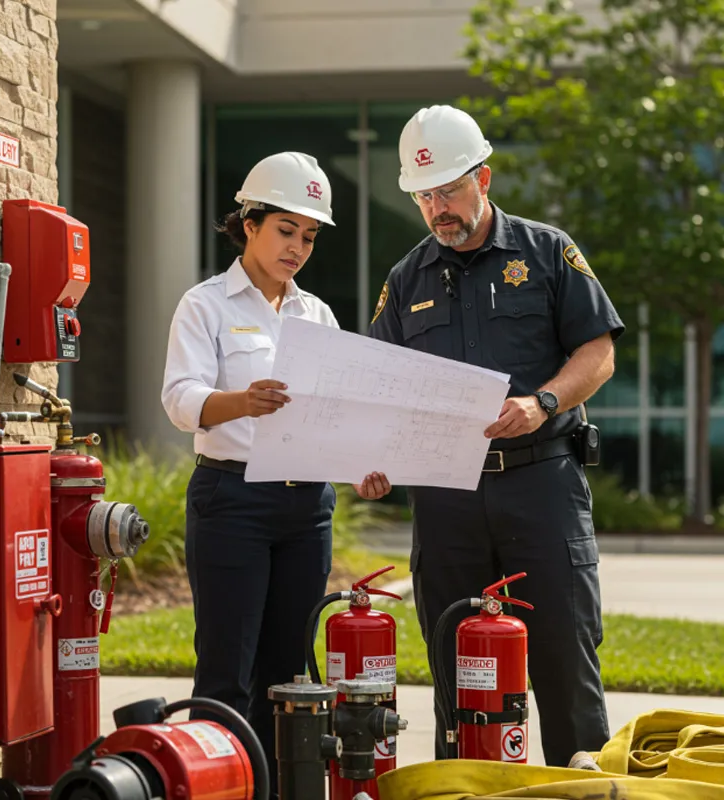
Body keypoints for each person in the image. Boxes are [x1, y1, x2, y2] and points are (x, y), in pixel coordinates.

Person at [368, 106, 625, 768]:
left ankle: (584, 782)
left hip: (541, 482)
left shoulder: (548, 252)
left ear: (484, 177)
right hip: (447, 494)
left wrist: (542, 403)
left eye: (449, 189)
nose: (437, 208)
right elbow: (380, 388)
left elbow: (598, 353)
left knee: (566, 661)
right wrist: (375, 459)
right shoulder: (406, 279)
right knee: (460, 672)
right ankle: (470, 784)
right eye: (424, 195)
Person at [161, 151, 391, 798]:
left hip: (306, 507)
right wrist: (241, 401)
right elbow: (179, 400)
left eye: (310, 236)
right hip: (231, 500)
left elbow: (337, 416)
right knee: (226, 676)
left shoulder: (317, 316)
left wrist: (363, 467)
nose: (298, 247)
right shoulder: (203, 305)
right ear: (249, 223)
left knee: (288, 673)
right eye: (286, 229)